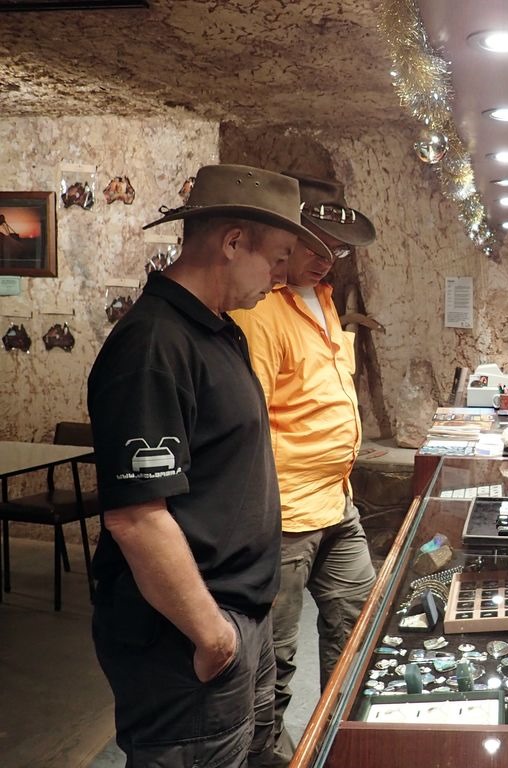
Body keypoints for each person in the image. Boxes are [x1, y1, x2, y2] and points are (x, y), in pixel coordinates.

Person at [87, 164, 332, 767]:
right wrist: (212, 635)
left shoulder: (220, 330)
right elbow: (136, 517)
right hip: (189, 633)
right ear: (232, 242)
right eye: (278, 258)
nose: (281, 277)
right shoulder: (153, 344)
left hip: (242, 612)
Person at [231, 172, 378, 766]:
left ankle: (344, 743)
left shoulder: (324, 299)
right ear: (286, 241)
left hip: (337, 500)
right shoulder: (261, 311)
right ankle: (267, 756)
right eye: (315, 246)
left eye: (336, 250)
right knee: (277, 655)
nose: (325, 259)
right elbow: (252, 422)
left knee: (357, 626)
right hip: (288, 512)